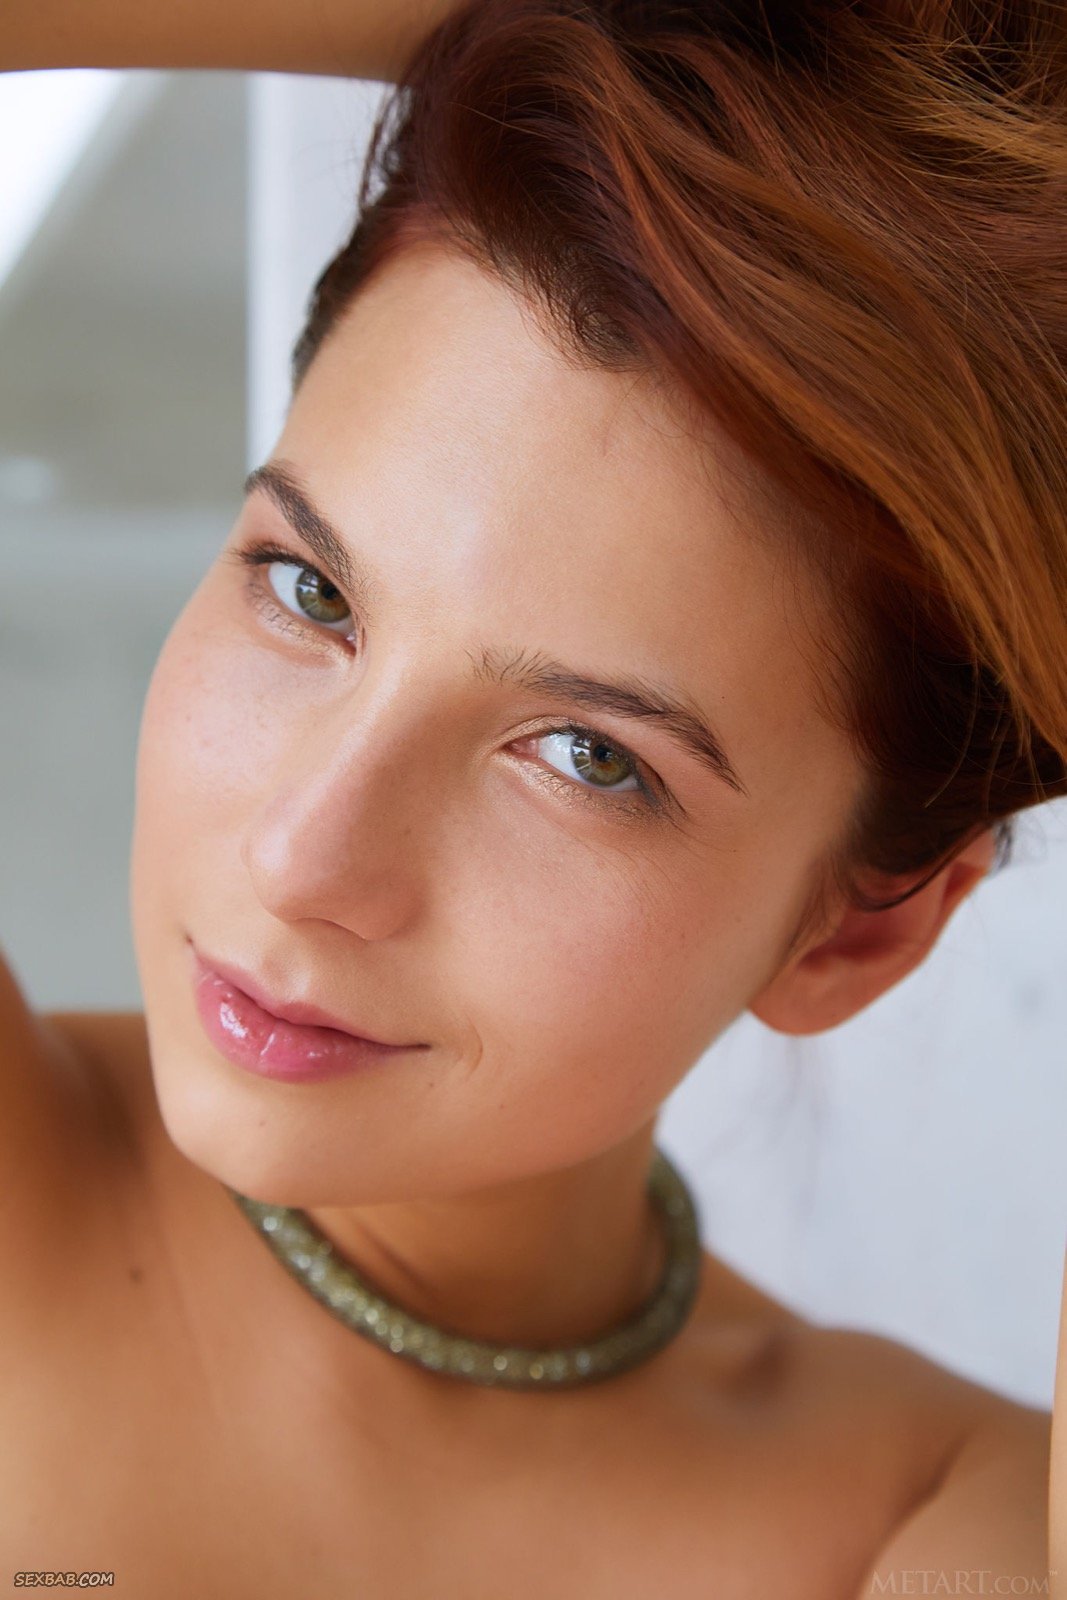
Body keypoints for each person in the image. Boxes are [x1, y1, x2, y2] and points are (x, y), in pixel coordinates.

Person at [2, 0, 1063, 1593]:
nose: (302, 857)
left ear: (861, 929)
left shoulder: (920, 1527)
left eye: (587, 755)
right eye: (307, 591)